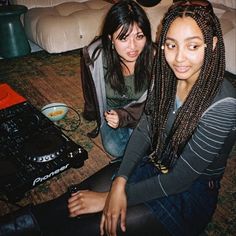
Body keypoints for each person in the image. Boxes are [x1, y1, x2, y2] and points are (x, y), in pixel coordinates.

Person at [0, 1, 235, 236]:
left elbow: (180, 180)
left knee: (86, 228)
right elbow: (144, 129)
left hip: (187, 196)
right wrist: (120, 179)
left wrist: (108, 197)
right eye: (171, 45)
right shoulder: (167, 77)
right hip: (153, 164)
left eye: (192, 46)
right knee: (70, 201)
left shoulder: (224, 103)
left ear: (212, 45)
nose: (179, 59)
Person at [81, 0, 155, 159]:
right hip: (112, 111)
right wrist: (92, 113)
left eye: (139, 36)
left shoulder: (156, 60)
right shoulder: (96, 58)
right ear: (111, 39)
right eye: (123, 38)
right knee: (115, 147)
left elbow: (156, 103)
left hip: (143, 109)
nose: (133, 46)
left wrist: (125, 117)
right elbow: (89, 89)